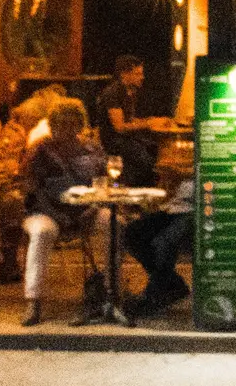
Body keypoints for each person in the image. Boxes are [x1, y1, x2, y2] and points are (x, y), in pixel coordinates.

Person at [17, 98, 107, 326]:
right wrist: (58, 216)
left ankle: (111, 288)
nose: (66, 130)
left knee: (114, 224)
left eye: (72, 124)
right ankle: (33, 300)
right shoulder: (39, 151)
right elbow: (32, 190)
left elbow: (104, 184)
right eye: (61, 125)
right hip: (45, 211)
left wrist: (95, 206)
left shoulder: (92, 149)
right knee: (42, 233)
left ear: (80, 125)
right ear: (53, 125)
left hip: (86, 211)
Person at [123, 175, 194, 319]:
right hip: (175, 207)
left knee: (164, 241)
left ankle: (155, 293)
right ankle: (173, 284)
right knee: (132, 232)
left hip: (199, 210)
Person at [98, 55, 158, 186]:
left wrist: (150, 120)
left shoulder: (129, 92)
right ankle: (134, 192)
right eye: (137, 73)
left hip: (126, 139)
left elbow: (129, 120)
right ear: (124, 74)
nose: (142, 77)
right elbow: (119, 127)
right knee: (146, 161)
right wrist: (147, 124)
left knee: (154, 149)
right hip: (114, 141)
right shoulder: (113, 93)